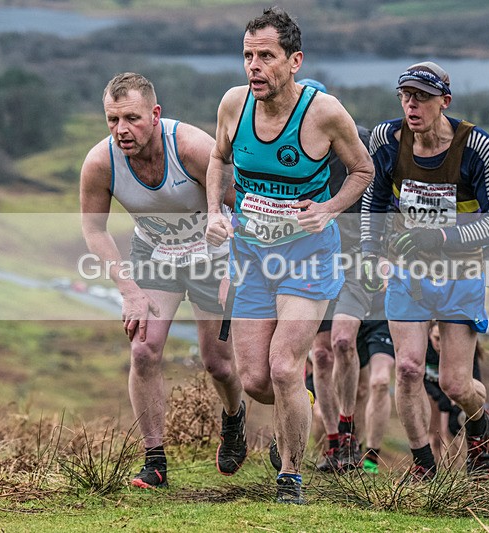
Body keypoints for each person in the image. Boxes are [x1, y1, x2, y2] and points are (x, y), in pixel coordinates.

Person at [204, 8, 373, 504]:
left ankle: (290, 477)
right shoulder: (234, 105)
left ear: (294, 60)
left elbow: (362, 171)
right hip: (251, 257)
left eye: (266, 57)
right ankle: (302, 405)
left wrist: (328, 209)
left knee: (283, 367)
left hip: (308, 258)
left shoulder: (325, 113)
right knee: (256, 380)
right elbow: (218, 158)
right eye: (248, 56)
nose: (254, 67)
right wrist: (216, 211)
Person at [79, 73, 246, 489]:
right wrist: (129, 291)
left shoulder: (191, 148)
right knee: (143, 351)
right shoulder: (100, 163)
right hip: (155, 255)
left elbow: (244, 204)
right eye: (112, 120)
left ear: (155, 114)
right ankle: (154, 461)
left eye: (131, 118)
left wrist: (235, 269)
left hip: (213, 256)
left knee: (217, 363)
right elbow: (94, 230)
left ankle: (233, 419)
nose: (121, 130)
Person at [361, 61, 489, 481]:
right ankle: (425, 464)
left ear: (445, 101)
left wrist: (440, 237)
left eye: (422, 97)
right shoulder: (386, 139)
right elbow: (372, 201)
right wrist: (371, 253)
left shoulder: (475, 144)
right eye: (406, 95)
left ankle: (479, 424)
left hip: (460, 272)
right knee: (407, 368)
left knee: (455, 385)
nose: (412, 104)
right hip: (407, 271)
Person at [297, 78, 374, 473]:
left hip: (354, 259)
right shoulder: (288, 146)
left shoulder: (355, 140)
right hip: (312, 260)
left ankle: (347, 428)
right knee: (321, 355)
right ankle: (333, 443)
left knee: (344, 341)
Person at [424, 321, 483, 468]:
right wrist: (439, 397)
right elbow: (421, 380)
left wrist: (457, 408)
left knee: (450, 432)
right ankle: (432, 469)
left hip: (453, 394)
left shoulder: (459, 348)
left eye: (443, 339)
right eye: (436, 338)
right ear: (430, 335)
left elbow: (474, 380)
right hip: (432, 391)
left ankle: (450, 470)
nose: (439, 344)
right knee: (434, 434)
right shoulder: (425, 348)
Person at [358, 295, 396, 475]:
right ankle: (349, 448)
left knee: (380, 382)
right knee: (359, 389)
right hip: (351, 307)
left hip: (384, 314)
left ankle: (371, 457)